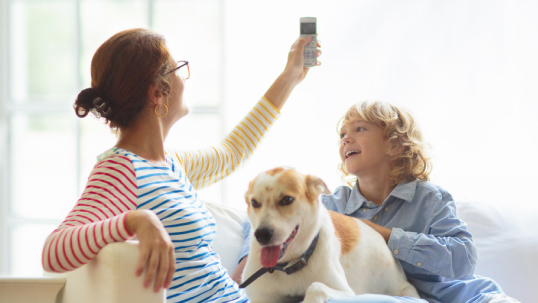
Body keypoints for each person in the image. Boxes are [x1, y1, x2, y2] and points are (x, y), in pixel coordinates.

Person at [41, 28, 321, 302]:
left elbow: (231, 153)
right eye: (179, 70)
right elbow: (54, 251)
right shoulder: (120, 170)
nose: (186, 80)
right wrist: (136, 220)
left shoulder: (170, 163)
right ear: (156, 93)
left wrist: (290, 77)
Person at [233, 101, 519, 303]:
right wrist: (251, 260)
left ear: (393, 144)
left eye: (358, 129)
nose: (345, 139)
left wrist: (388, 237)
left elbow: (464, 259)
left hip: (466, 297)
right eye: (342, 134)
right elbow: (267, 216)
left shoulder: (430, 198)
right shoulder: (334, 204)